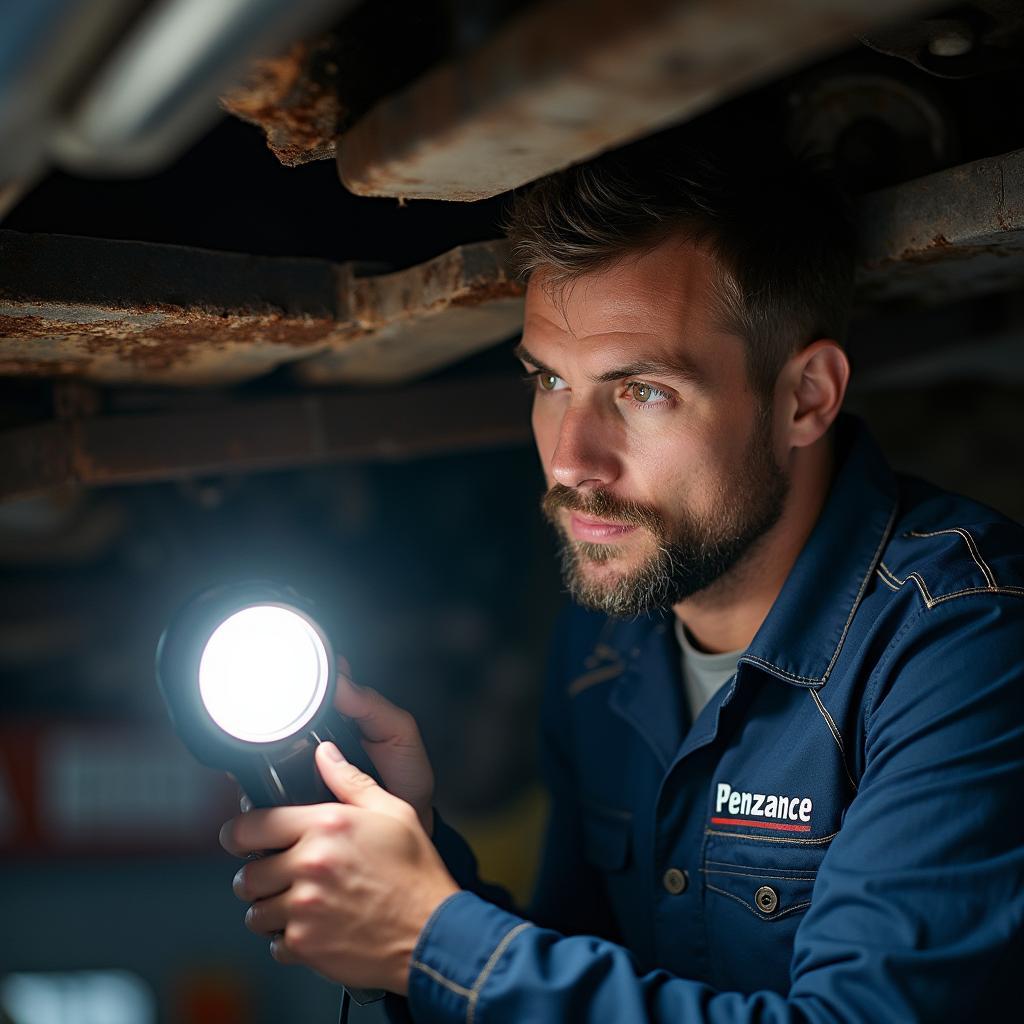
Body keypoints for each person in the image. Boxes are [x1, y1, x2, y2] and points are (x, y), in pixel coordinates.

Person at [219, 145, 1024, 1021]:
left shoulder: (967, 640)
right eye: (550, 380)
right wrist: (418, 868)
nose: (570, 461)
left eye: (642, 392)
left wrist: (429, 938)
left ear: (805, 397)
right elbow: (587, 962)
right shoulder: (607, 640)